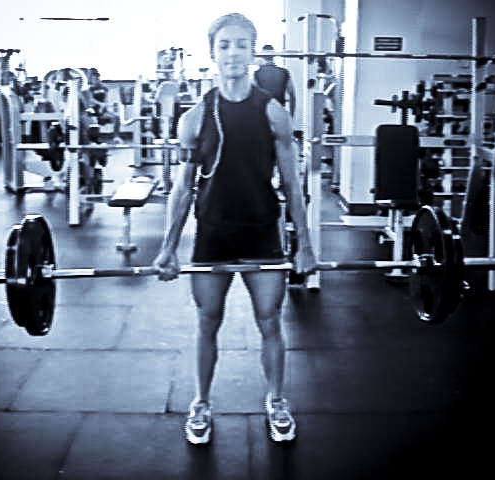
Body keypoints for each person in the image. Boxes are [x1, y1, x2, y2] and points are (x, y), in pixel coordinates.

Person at [153, 13, 317, 445]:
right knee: (208, 323)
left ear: (253, 52)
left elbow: (292, 185)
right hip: (213, 235)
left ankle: (276, 400)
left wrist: (304, 245)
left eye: (242, 44)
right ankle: (201, 402)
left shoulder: (274, 113)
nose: (233, 53)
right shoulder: (194, 118)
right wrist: (168, 248)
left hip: (263, 233)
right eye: (224, 45)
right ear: (212, 53)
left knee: (270, 322)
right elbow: (182, 190)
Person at [253, 44, 296, 118]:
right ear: (273, 56)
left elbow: (253, 96)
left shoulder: (257, 73)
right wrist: (291, 116)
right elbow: (292, 95)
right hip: (279, 112)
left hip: (262, 114)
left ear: (262, 56)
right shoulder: (284, 72)